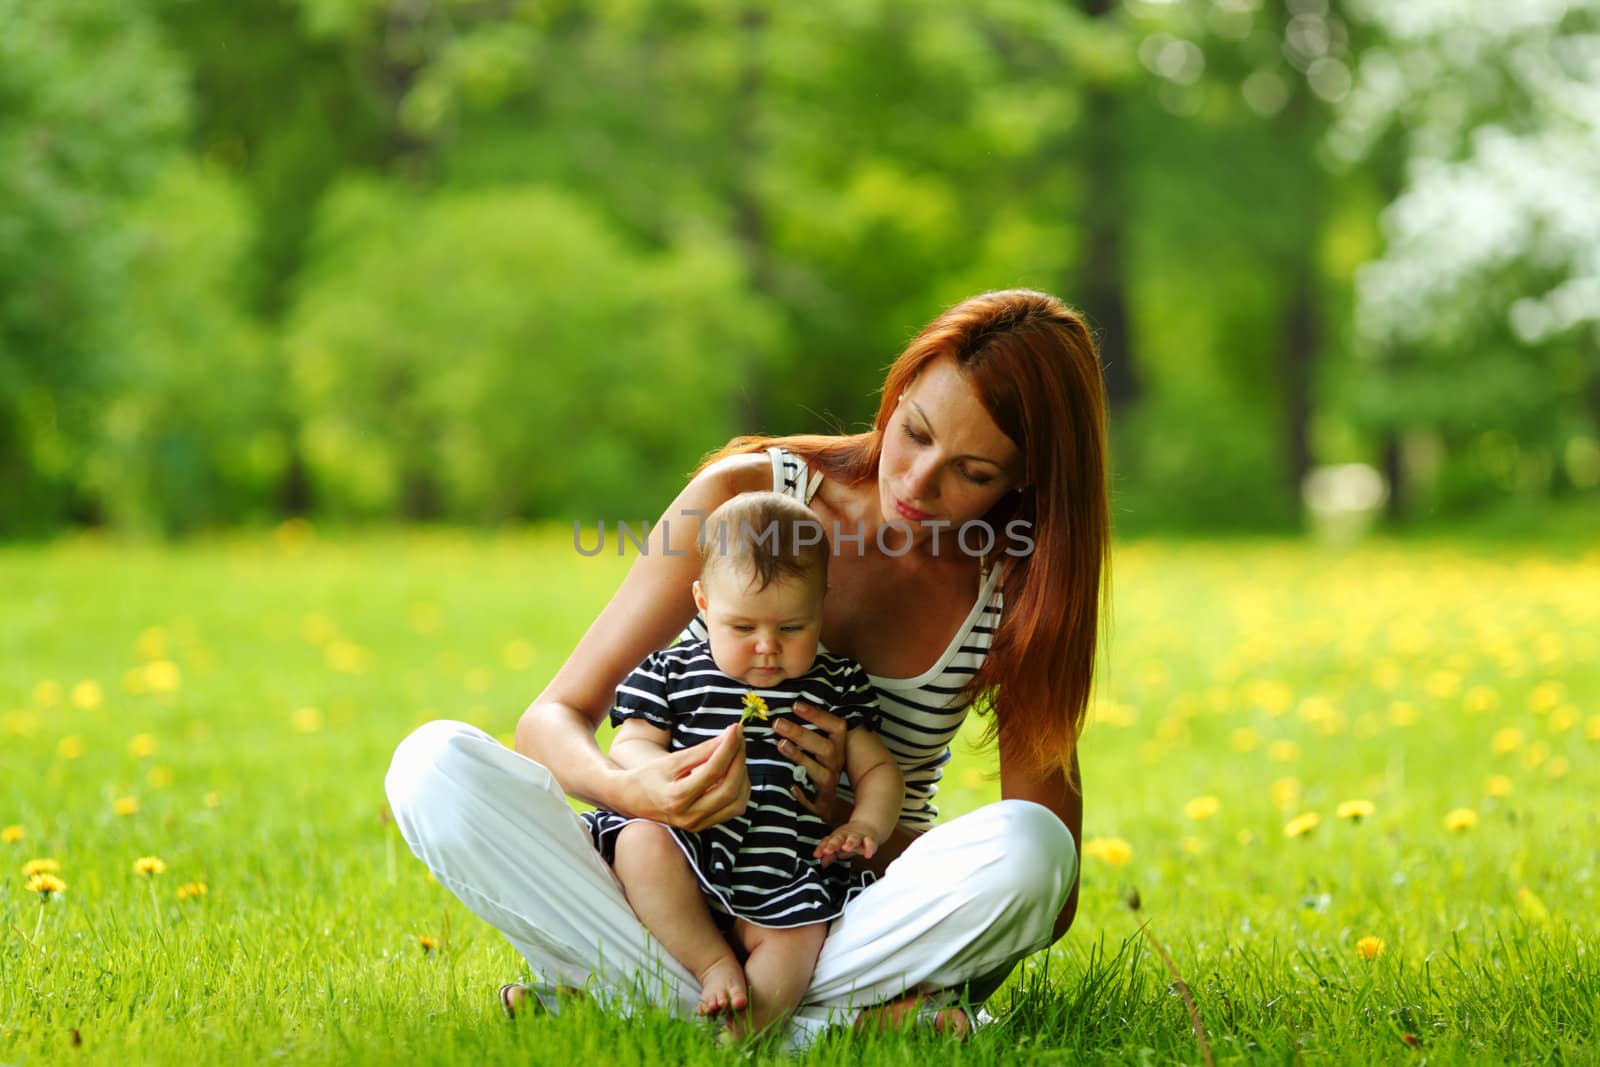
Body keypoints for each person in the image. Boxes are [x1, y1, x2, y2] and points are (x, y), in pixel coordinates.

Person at [385, 288, 1106, 1046]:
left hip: (839, 909)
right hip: (664, 886)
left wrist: (846, 822)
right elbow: (550, 720)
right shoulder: (745, 498)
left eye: (973, 471)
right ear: (896, 392)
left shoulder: (1017, 584)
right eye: (915, 431)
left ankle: (654, 1004)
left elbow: (1050, 896)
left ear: (1026, 479)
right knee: (432, 767)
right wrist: (634, 788)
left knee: (1032, 848)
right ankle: (826, 1025)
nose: (919, 482)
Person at [583, 491, 904, 1039]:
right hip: (685, 849)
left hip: (779, 878)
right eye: (742, 628)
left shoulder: (834, 684)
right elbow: (630, 745)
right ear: (703, 603)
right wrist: (666, 774)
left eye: (791, 628)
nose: (766, 648)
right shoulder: (671, 670)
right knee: (638, 844)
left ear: (821, 606)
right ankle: (712, 965)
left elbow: (879, 771)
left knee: (801, 936)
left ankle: (742, 1033)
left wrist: (864, 825)